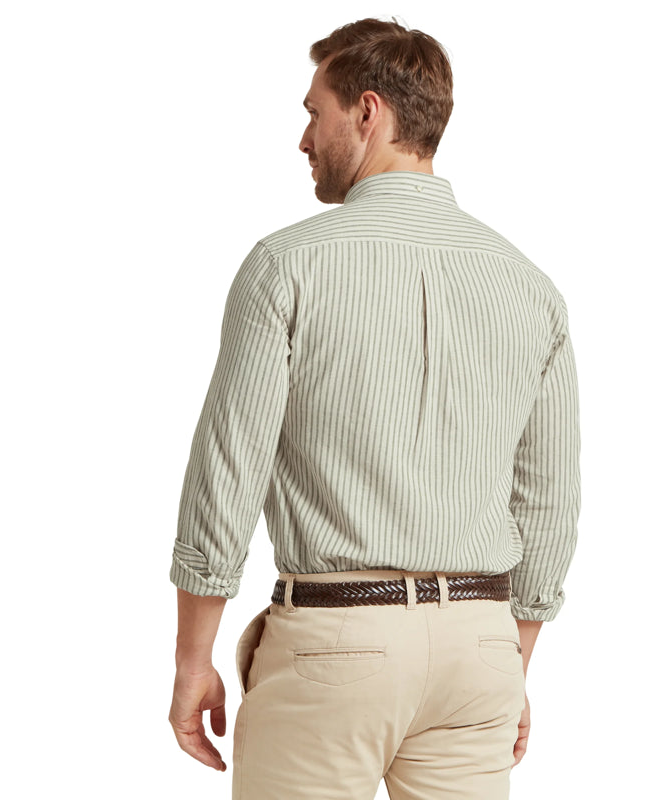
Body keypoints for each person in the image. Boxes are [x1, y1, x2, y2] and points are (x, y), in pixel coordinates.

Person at [168, 16, 581, 800]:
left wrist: (194, 661)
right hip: (480, 648)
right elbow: (548, 500)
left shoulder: (287, 266)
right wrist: (511, 659)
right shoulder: (530, 288)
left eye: (312, 112)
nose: (303, 138)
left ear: (367, 111)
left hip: (335, 642)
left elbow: (227, 470)